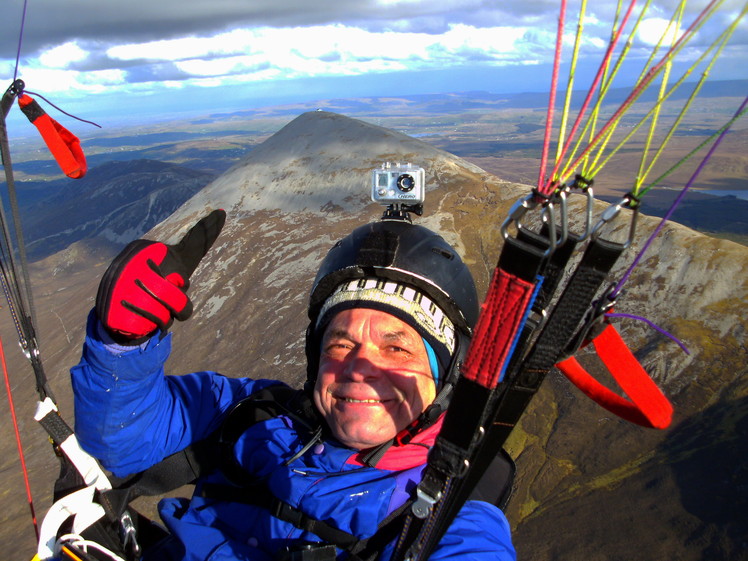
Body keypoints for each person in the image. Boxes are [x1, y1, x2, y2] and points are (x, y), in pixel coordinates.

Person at [70, 209, 516, 561]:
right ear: (314, 357)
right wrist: (124, 345)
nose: (359, 367)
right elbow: (121, 439)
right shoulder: (249, 412)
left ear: (446, 377)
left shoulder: (448, 513)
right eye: (340, 344)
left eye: (396, 348)